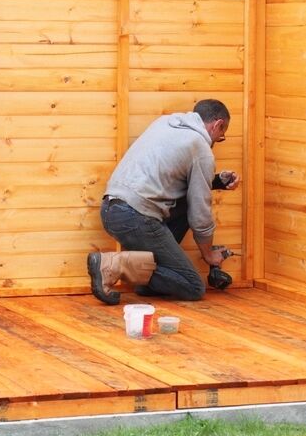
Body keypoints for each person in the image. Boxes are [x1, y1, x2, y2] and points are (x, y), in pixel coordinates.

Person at [88, 99, 240, 305]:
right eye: (221, 137)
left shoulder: (165, 123)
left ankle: (138, 272)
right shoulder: (200, 147)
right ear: (218, 125)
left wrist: (215, 181)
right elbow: (200, 213)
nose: (216, 141)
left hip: (112, 209)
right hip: (137, 216)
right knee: (193, 286)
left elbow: (168, 179)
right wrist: (208, 255)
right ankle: (117, 264)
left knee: (151, 284)